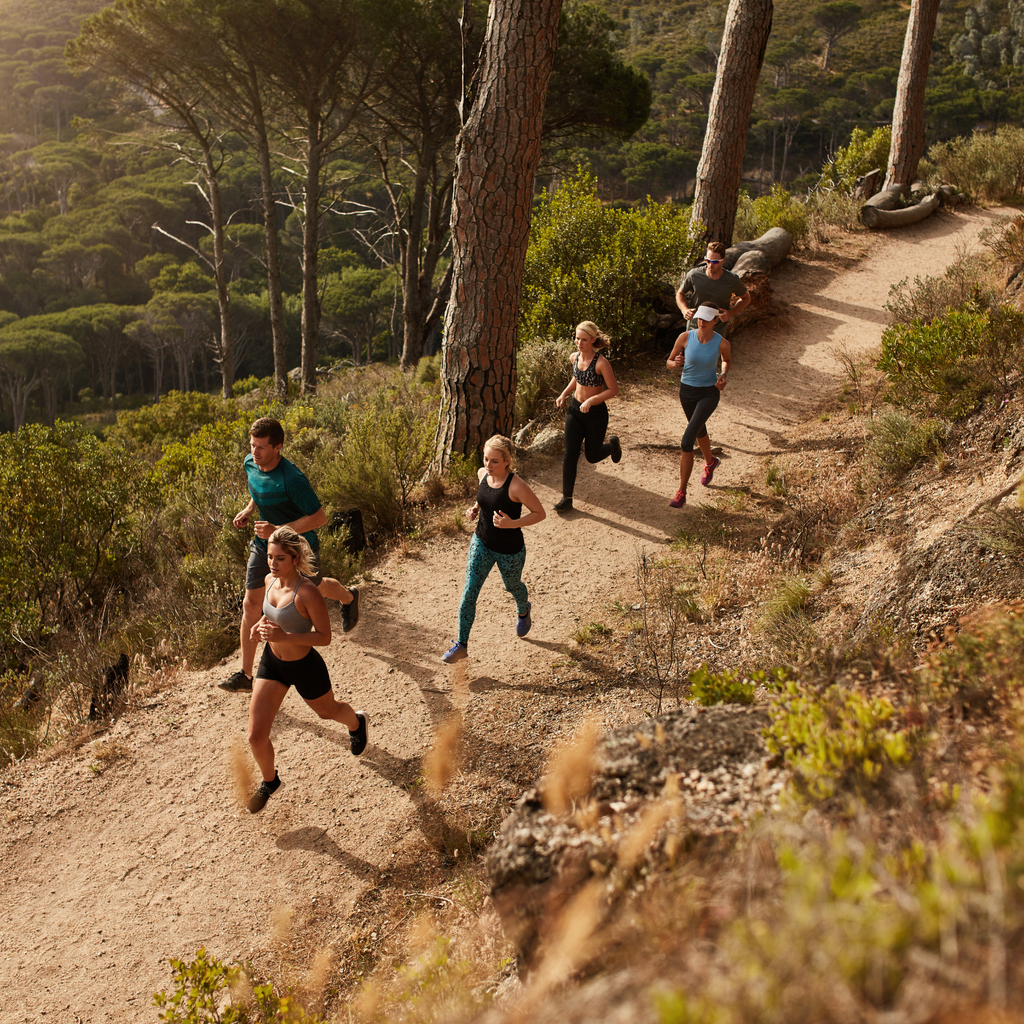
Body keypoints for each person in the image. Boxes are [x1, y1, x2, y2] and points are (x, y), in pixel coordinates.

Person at [219, 416, 359, 693]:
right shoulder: (251, 462)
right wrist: (249, 510)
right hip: (264, 546)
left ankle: (349, 596)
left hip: (298, 547)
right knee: (251, 604)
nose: (254, 453)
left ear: (278, 447)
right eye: (252, 445)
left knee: (315, 588)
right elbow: (257, 487)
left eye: (261, 448)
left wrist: (278, 529)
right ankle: (246, 675)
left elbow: (319, 517)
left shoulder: (292, 479)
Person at [245, 526, 368, 813]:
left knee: (329, 712)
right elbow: (269, 613)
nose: (273, 564)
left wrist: (285, 637)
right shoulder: (268, 580)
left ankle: (357, 723)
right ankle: (270, 781)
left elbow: (324, 637)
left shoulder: (308, 592)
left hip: (304, 666)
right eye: (270, 557)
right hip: (272, 663)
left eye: (280, 559)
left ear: (296, 559)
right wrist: (258, 626)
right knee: (255, 735)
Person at [441, 435, 546, 663]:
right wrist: (475, 508)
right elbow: (485, 497)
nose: (488, 465)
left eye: (494, 461)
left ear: (507, 460)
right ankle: (461, 644)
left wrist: (512, 523)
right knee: (469, 591)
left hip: (509, 550)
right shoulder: (482, 474)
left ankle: (523, 608)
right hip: (482, 542)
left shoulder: (516, 486)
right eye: (486, 459)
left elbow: (540, 513)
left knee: (512, 586)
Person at [665, 305, 732, 508]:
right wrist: (674, 363)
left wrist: (723, 375)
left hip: (708, 393)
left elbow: (726, 360)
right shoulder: (685, 337)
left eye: (706, 319)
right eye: (699, 318)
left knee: (687, 441)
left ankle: (681, 492)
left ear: (715, 321)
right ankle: (710, 462)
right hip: (686, 392)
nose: (701, 321)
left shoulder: (723, 343)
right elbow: (668, 362)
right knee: (699, 428)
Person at [553, 321, 622, 512]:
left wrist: (592, 401)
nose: (579, 342)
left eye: (584, 339)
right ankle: (567, 498)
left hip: (595, 414)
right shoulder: (574, 357)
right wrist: (564, 393)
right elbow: (577, 378)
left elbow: (613, 390)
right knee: (570, 454)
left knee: (592, 456)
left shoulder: (601, 363)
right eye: (577, 338)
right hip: (575, 411)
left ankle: (613, 446)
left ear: (593, 339)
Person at [676, 241, 750, 331]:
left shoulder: (732, 280)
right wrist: (684, 310)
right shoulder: (694, 275)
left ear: (723, 261)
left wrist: (730, 313)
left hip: (717, 331)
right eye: (708, 260)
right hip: (694, 329)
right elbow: (680, 293)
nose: (710, 265)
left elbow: (746, 298)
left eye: (715, 262)